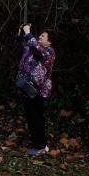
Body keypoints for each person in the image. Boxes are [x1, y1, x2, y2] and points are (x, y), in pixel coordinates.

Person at [16, 24, 55, 157]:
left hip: (38, 91)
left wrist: (28, 32)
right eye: (40, 35)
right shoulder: (34, 48)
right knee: (30, 117)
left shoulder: (48, 52)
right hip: (27, 88)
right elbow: (24, 45)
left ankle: (41, 146)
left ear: (49, 41)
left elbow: (34, 45)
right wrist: (21, 34)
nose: (39, 37)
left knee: (36, 118)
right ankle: (36, 142)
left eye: (43, 36)